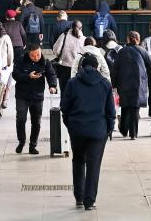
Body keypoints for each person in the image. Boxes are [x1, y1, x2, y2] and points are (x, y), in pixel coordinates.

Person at [60, 54, 116, 211]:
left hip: (77, 130)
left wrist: (70, 124)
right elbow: (110, 111)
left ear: (81, 67)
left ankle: (79, 196)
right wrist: (109, 128)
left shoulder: (72, 83)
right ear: (97, 67)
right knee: (94, 166)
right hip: (98, 131)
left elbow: (64, 107)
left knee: (78, 161)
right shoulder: (105, 84)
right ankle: (89, 201)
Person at [111, 31, 151, 140]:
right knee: (135, 108)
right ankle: (133, 134)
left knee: (125, 106)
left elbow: (115, 69)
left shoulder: (121, 52)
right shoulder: (142, 51)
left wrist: (114, 84)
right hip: (139, 84)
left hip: (124, 83)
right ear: (138, 39)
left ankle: (123, 129)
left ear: (128, 39)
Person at [13, 44, 58, 154]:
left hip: (37, 96)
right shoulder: (21, 60)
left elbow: (51, 75)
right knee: (21, 119)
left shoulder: (45, 62)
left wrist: (53, 86)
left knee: (36, 122)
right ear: (28, 54)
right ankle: (21, 141)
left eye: (38, 54)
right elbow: (15, 75)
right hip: (22, 95)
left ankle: (33, 145)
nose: (36, 57)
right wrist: (28, 76)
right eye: (33, 55)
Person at [52, 21, 86, 92]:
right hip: (78, 69)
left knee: (64, 93)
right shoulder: (84, 39)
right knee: (76, 94)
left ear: (71, 27)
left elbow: (56, 50)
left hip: (64, 68)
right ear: (81, 28)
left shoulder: (64, 36)